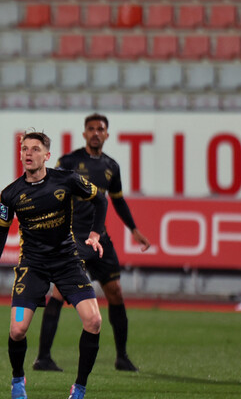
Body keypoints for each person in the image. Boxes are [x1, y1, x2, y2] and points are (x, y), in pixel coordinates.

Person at [0, 132, 108, 399]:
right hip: (32, 265)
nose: (28, 153)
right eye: (24, 148)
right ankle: (17, 381)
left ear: (47, 156)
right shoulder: (10, 195)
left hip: (67, 261)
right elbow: (0, 233)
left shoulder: (67, 179)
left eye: (35, 149)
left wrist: (95, 234)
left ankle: (79, 387)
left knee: (94, 321)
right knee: (17, 329)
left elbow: (100, 199)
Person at [33, 113, 152, 373]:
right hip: (72, 238)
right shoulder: (70, 161)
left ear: (107, 134)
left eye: (100, 129)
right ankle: (43, 357)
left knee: (116, 292)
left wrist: (134, 229)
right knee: (59, 293)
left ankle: (122, 357)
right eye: (91, 129)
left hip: (100, 238)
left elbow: (117, 200)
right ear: (84, 133)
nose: (96, 133)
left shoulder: (112, 166)